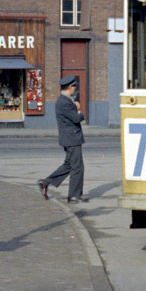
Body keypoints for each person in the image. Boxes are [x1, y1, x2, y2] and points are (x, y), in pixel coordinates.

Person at [38, 74, 88, 202]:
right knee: (77, 167)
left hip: (69, 138)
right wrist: (80, 112)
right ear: (70, 87)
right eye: (74, 87)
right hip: (72, 138)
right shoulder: (65, 102)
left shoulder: (64, 100)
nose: (75, 89)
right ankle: (74, 195)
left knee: (69, 165)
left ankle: (46, 182)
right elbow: (76, 118)